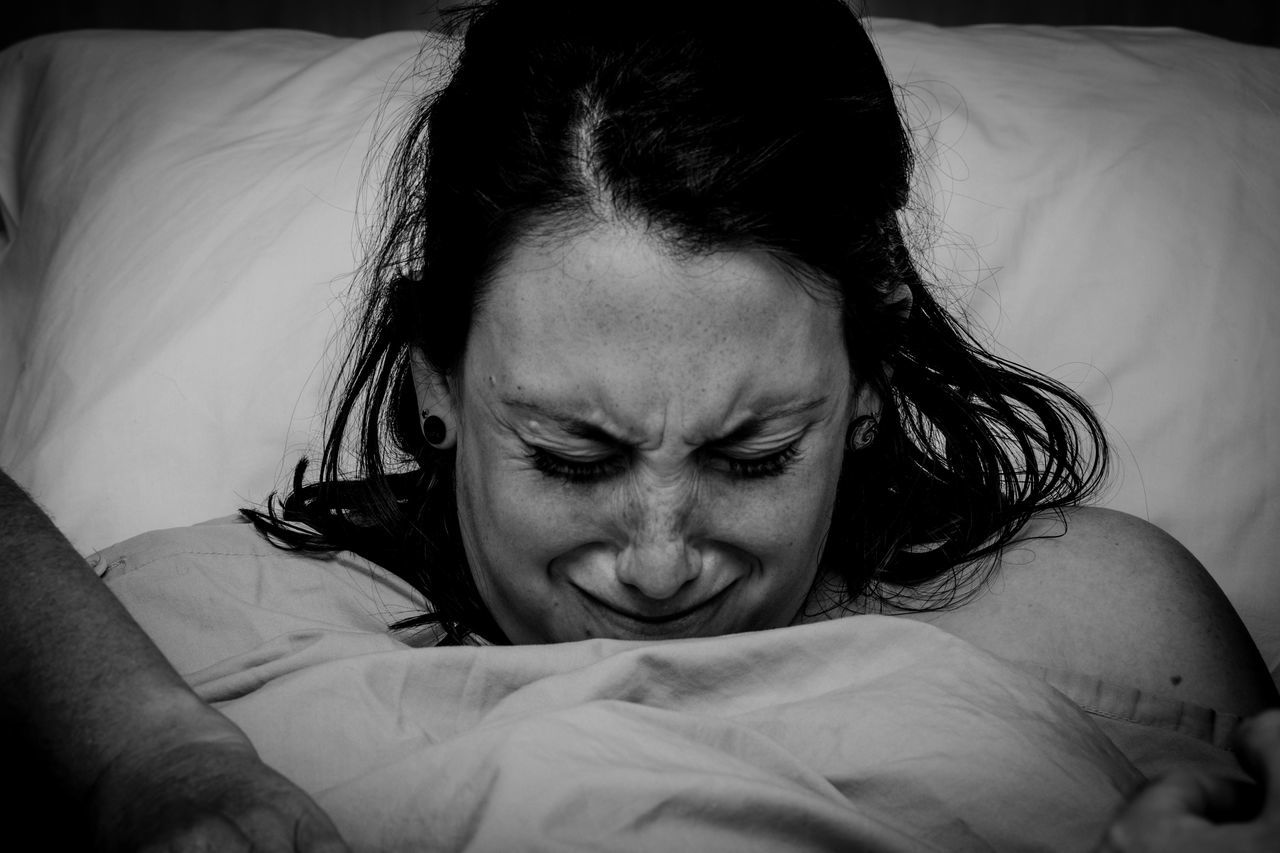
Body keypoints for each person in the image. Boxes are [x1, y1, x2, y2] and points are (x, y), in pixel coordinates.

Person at [1, 0, 1276, 849]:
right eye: (571, 456)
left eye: (751, 455)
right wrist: (143, 744)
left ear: (871, 372)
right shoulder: (149, 649)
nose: (660, 560)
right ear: (435, 377)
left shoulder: (1111, 629)